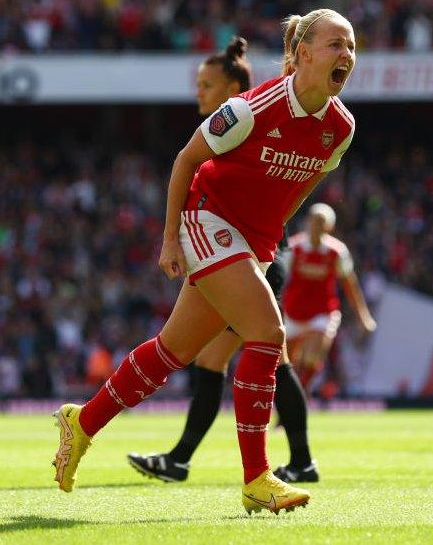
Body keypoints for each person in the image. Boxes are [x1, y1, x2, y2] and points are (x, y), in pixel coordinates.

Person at [52, 9, 356, 515]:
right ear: (302, 54)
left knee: (171, 353)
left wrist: (264, 241)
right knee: (267, 334)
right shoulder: (252, 108)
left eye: (351, 47)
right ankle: (258, 478)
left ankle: (81, 423)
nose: (345, 55)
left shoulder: (340, 128)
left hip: (250, 240)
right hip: (207, 219)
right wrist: (171, 238)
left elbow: (299, 190)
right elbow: (185, 160)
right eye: (334, 45)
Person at [127, 37, 322, 485]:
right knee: (268, 358)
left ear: (234, 86)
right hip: (254, 255)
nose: (199, 91)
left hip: (256, 255)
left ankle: (197, 461)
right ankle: (298, 460)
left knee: (223, 359)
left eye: (206, 83)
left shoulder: (247, 116)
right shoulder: (239, 121)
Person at [282, 203, 376, 394]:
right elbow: (278, 279)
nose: (316, 226)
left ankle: (299, 396)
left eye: (321, 223)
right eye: (314, 221)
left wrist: (363, 317)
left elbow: (351, 285)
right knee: (288, 364)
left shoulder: (337, 252)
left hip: (323, 312)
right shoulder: (294, 248)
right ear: (307, 222)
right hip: (293, 312)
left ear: (329, 227)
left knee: (312, 356)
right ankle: (288, 401)